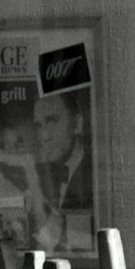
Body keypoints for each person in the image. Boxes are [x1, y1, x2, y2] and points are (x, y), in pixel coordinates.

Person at [29, 92, 92, 251]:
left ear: (77, 125)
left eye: (53, 121)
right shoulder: (41, 178)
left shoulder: (94, 174)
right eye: (39, 125)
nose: (44, 136)